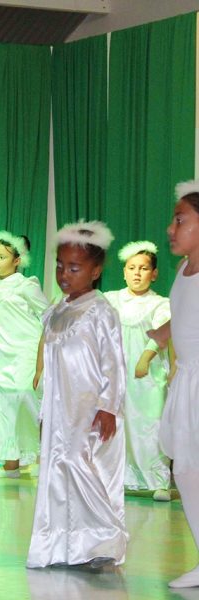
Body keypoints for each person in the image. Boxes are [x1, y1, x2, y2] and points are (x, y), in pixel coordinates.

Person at [27, 220, 128, 569]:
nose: (63, 274)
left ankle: (106, 539)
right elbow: (51, 365)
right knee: (57, 474)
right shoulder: (57, 311)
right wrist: (44, 412)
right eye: (60, 266)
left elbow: (113, 363)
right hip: (60, 412)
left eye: (74, 268)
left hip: (88, 410)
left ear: (95, 271)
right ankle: (64, 546)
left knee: (78, 466)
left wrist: (108, 406)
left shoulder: (100, 311)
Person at [149, 181, 199, 588]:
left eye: (180, 219)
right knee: (184, 469)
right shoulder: (184, 270)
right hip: (188, 382)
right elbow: (185, 312)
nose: (171, 227)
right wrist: (163, 333)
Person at [104, 241, 172, 501]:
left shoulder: (159, 303)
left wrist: (145, 357)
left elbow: (162, 333)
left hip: (147, 376)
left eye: (143, 268)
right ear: (124, 272)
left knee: (149, 424)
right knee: (118, 425)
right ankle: (120, 479)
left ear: (153, 273)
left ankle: (159, 481)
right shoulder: (111, 299)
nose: (137, 273)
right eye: (132, 268)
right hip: (116, 374)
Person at [0, 231, 48, 478]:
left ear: (17, 260)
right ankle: (11, 465)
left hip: (25, 353)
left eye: (2, 257)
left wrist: (42, 359)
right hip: (3, 356)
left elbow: (49, 316)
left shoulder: (26, 285)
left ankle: (42, 460)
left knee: (28, 403)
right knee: (6, 406)